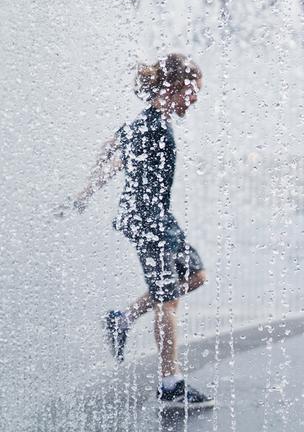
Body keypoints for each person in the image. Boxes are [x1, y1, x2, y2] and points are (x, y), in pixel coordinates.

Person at [67, 54, 213, 409]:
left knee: (195, 275)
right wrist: (84, 193)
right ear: (174, 86)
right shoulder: (149, 124)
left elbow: (116, 149)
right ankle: (170, 383)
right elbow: (113, 151)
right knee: (167, 299)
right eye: (192, 92)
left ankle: (123, 318)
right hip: (147, 220)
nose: (194, 99)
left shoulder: (158, 120)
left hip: (160, 218)